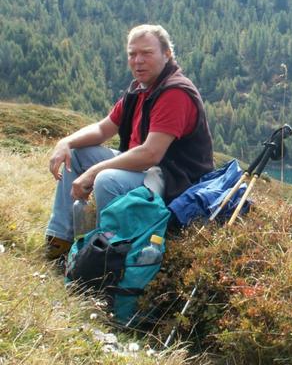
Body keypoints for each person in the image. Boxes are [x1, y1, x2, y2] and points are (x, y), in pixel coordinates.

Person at [45, 24, 214, 260]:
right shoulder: (140, 89)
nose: (138, 61)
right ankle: (60, 241)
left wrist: (93, 172)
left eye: (147, 53)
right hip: (146, 169)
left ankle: (105, 257)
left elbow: (151, 154)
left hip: (174, 178)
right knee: (76, 155)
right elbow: (103, 129)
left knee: (107, 179)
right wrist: (66, 142)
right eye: (132, 54)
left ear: (167, 54)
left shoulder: (175, 93)